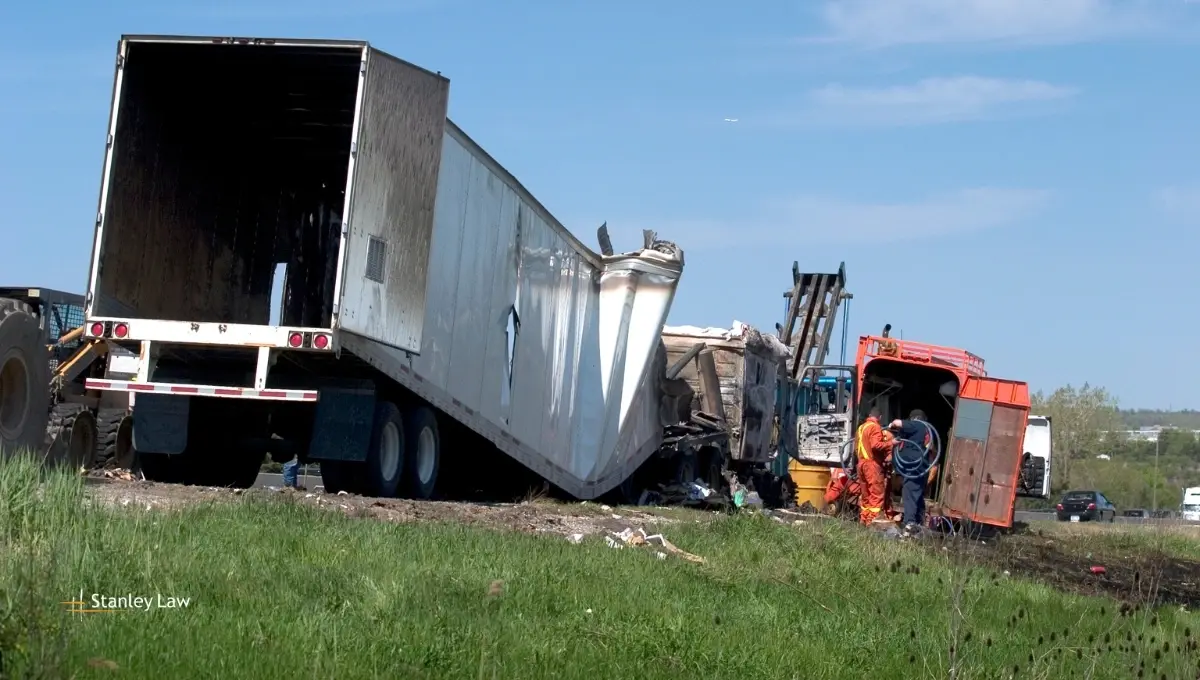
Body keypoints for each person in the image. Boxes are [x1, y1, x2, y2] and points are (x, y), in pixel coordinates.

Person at [889, 409, 937, 534]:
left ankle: (909, 524)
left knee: (909, 493)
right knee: (918, 495)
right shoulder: (927, 431)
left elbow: (898, 423)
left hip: (914, 468)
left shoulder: (917, 425)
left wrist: (891, 425)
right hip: (921, 468)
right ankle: (919, 523)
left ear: (913, 418)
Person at [855, 406, 894, 526]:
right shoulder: (875, 427)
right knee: (876, 494)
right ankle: (872, 522)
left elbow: (856, 447)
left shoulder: (861, 428)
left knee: (865, 494)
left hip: (860, 463)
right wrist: (891, 443)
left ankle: (864, 519)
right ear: (880, 417)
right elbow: (875, 445)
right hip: (871, 465)